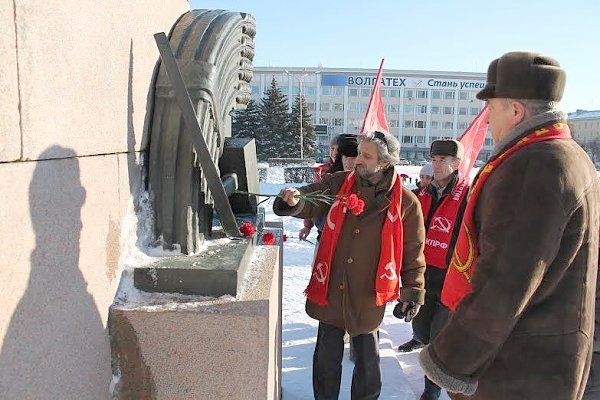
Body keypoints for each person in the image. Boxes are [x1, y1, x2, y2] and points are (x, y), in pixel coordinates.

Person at [419, 51, 600, 400]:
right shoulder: (570, 155)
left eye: (492, 107)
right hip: (551, 361)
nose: (486, 120)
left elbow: (505, 282)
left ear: (515, 110)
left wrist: (449, 360)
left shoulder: (533, 165)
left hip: (516, 369)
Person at [274, 131, 427, 399]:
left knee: (368, 364)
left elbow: (413, 252)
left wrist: (413, 291)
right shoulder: (337, 183)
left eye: (367, 156)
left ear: (385, 162)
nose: (358, 161)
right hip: (331, 286)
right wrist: (295, 200)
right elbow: (309, 198)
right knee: (325, 360)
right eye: (359, 154)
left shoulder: (406, 202)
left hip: (369, 293)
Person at [398, 140, 469, 400]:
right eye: (434, 159)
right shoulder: (422, 195)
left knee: (438, 339)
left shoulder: (469, 197)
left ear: (456, 164)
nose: (437, 164)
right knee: (422, 331)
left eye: (443, 159)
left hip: (452, 277)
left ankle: (432, 390)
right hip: (423, 275)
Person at [300, 134, 358, 241]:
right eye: (332, 148)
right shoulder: (328, 176)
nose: (334, 152)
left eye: (353, 157)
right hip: (326, 234)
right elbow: (314, 200)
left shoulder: (366, 180)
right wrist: (307, 225)